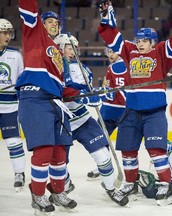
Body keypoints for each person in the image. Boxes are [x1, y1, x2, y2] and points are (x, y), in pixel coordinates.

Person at [97, 0, 172, 206]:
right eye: (139, 40)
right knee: (128, 149)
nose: (140, 43)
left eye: (144, 40)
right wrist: (106, 17)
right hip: (131, 109)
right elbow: (112, 39)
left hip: (154, 111)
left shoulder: (160, 52)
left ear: (152, 41)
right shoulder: (129, 50)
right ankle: (130, 183)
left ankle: (165, 186)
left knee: (156, 149)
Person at [16, 1, 78, 214]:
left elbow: (60, 87)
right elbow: (29, 8)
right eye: (49, 21)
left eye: (56, 22)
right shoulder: (35, 34)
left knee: (60, 151)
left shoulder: (59, 56)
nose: (53, 24)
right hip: (34, 99)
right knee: (44, 150)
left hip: (55, 102)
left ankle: (58, 191)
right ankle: (38, 195)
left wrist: (79, 95)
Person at [53, 33, 129, 207]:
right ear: (59, 48)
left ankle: (111, 188)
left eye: (74, 48)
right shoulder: (52, 68)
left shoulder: (83, 69)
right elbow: (63, 92)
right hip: (60, 121)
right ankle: (62, 188)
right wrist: (85, 96)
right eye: (69, 47)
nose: (73, 51)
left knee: (102, 154)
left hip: (82, 119)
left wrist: (100, 94)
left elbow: (87, 90)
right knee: (58, 162)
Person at [87, 47, 128, 179]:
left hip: (111, 110)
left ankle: (104, 166)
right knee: (126, 144)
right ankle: (124, 170)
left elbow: (108, 91)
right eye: (108, 52)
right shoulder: (130, 65)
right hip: (123, 110)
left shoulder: (113, 68)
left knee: (101, 140)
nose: (110, 54)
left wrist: (96, 94)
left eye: (113, 52)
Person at [0, 18, 26, 192]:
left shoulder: (15, 55)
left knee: (13, 141)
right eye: (4, 32)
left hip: (10, 106)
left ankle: (19, 173)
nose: (8, 36)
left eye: (9, 32)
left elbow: (22, 81)